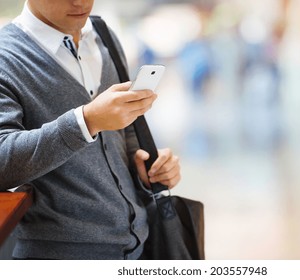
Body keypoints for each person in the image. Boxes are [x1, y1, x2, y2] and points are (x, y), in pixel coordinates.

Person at [0, 0, 181, 260]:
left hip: (138, 246)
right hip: (59, 258)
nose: (80, 2)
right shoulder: (6, 56)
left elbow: (124, 133)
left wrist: (145, 166)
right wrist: (86, 121)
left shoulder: (103, 35)